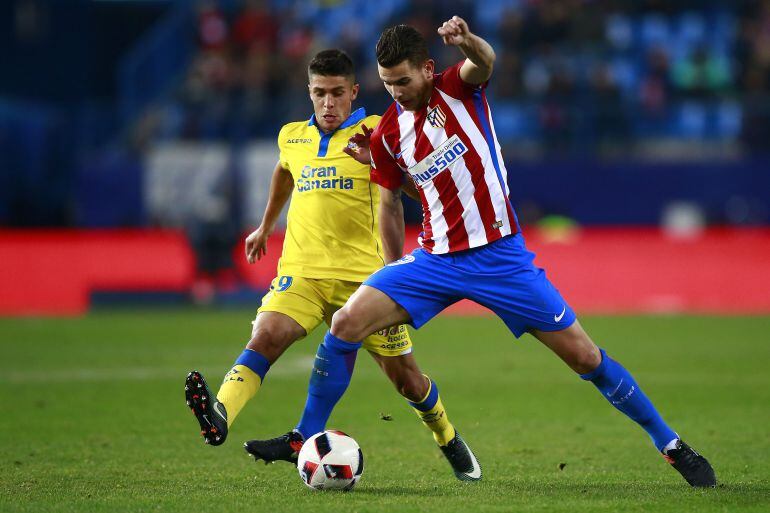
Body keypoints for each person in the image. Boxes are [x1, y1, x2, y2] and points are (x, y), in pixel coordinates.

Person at [251, 18, 716, 488]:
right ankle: (304, 435)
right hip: (434, 261)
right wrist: (391, 271)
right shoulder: (387, 134)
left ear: (428, 70)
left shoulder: (456, 89)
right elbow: (390, 201)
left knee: (585, 358)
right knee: (346, 322)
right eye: (388, 83)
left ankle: (671, 444)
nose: (396, 92)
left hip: (500, 258)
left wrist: (468, 41)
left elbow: (485, 61)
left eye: (404, 81)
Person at [184, 49, 481, 481]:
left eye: (337, 93)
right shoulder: (292, 136)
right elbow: (284, 173)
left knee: (408, 382)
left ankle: (448, 437)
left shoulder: (380, 130)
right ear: (309, 92)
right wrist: (265, 227)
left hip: (367, 284)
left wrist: (378, 161)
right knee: (267, 335)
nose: (328, 103)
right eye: (319, 93)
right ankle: (220, 414)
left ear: (354, 92)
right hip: (303, 271)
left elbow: (418, 190)